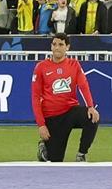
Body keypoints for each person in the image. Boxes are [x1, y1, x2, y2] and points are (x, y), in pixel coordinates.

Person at [33, 34, 100, 163]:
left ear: (67, 47)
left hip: (70, 112)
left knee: (92, 118)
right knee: (55, 160)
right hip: (52, 116)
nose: (57, 48)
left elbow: (83, 85)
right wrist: (41, 125)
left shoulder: (74, 65)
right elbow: (35, 97)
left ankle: (82, 154)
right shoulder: (41, 67)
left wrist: (91, 106)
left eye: (61, 44)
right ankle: (44, 147)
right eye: (54, 44)